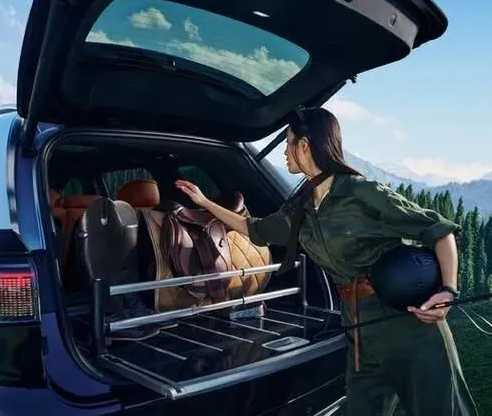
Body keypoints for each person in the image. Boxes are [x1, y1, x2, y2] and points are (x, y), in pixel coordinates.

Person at [175, 107, 479, 416]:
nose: (285, 151)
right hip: (359, 333)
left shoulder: (360, 192)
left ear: (305, 145)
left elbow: (440, 231)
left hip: (409, 327)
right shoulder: (301, 208)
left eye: (288, 142)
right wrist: (204, 202)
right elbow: (254, 229)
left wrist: (448, 290)